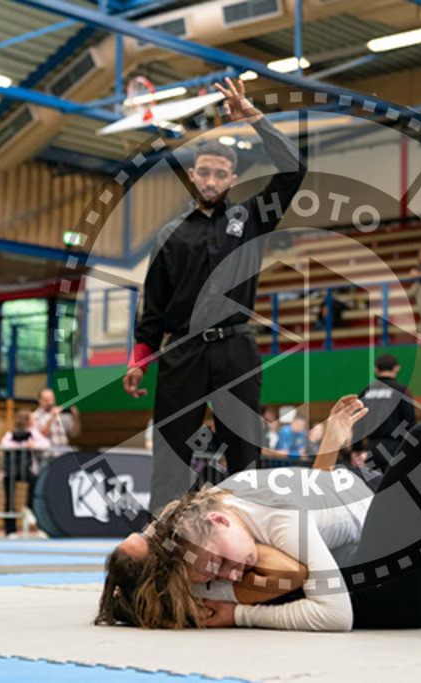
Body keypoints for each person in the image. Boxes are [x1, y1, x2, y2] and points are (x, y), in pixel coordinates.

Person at [96, 396, 421, 631]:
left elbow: (311, 497)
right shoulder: (205, 570)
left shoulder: (227, 504)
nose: (155, 526)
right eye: (153, 536)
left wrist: (332, 447)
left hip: (412, 568)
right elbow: (310, 565)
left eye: (156, 527)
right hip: (381, 587)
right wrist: (239, 614)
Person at [122, 78, 306, 516]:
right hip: (181, 351)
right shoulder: (169, 234)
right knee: (170, 449)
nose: (210, 180)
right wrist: (139, 360)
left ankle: (248, 531)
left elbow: (294, 171)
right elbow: (154, 308)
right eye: (203, 172)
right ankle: (161, 537)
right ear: (192, 176)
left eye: (220, 174)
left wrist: (255, 119)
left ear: (232, 179)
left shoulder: (252, 217)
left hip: (235, 347)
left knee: (244, 449)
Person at [350, 354, 417, 474]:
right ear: (396, 368)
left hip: (371, 448)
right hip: (395, 447)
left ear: (376, 369)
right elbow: (409, 422)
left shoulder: (365, 391)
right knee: (396, 482)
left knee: (373, 483)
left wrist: (356, 449)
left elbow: (358, 422)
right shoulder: (401, 390)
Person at [0, 410, 50, 537]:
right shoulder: (10, 434)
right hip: (10, 471)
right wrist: (21, 444)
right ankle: (10, 530)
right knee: (9, 500)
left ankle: (29, 508)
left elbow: (46, 443)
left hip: (27, 469)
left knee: (34, 489)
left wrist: (33, 445)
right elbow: (4, 444)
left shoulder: (33, 434)